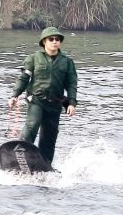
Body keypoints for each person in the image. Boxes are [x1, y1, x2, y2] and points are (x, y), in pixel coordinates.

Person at [9, 27, 78, 168]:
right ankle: (20, 151)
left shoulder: (67, 62)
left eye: (57, 39)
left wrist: (72, 103)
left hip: (55, 104)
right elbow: (23, 79)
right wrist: (15, 95)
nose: (55, 42)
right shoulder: (33, 58)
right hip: (36, 101)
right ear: (44, 42)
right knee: (32, 124)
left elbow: (71, 84)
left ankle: (44, 165)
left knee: (49, 138)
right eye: (51, 39)